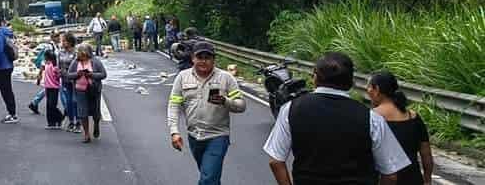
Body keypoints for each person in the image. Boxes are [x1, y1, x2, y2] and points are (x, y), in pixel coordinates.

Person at [264, 52, 411, 185]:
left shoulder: (291, 109)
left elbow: (276, 161)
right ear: (351, 82)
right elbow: (391, 175)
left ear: (315, 77)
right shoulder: (371, 118)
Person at [167, 41, 246, 185]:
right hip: (194, 137)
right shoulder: (182, 77)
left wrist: (225, 101)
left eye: (207, 57)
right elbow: (174, 105)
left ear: (214, 59)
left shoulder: (226, 78)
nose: (203, 61)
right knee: (209, 176)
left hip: (218, 136)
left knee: (208, 179)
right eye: (200, 57)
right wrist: (174, 132)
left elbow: (241, 106)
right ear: (192, 58)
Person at [368, 72, 434, 185]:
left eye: (369, 87)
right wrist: (427, 180)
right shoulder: (413, 117)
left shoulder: (371, 118)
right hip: (413, 179)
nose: (368, 91)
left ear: (377, 89)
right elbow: (426, 154)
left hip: (382, 180)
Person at [67, 43, 106, 143]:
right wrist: (77, 74)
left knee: (95, 111)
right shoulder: (75, 62)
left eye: (85, 55)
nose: (83, 57)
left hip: (93, 90)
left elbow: (103, 74)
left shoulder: (95, 61)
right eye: (81, 55)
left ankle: (96, 124)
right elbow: (69, 75)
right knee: (82, 111)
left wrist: (91, 75)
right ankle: (86, 134)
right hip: (80, 90)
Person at [28, 34, 59, 115]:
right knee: (51, 88)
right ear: (52, 37)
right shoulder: (50, 47)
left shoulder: (56, 46)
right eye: (56, 36)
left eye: (58, 36)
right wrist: (40, 74)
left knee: (48, 88)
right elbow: (44, 61)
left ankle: (34, 102)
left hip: (53, 70)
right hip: (51, 71)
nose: (58, 38)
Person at [57, 33, 80, 133]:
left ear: (70, 42)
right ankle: (71, 121)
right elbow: (58, 66)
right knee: (69, 102)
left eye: (64, 41)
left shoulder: (76, 53)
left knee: (76, 101)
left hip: (75, 80)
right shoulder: (60, 53)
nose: (62, 43)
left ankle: (78, 122)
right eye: (62, 41)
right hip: (65, 80)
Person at [40, 50, 64, 130]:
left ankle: (59, 117)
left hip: (54, 88)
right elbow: (42, 67)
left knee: (52, 105)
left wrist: (58, 73)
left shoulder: (54, 67)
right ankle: (51, 123)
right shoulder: (47, 64)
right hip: (47, 87)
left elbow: (58, 75)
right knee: (48, 106)